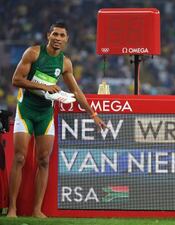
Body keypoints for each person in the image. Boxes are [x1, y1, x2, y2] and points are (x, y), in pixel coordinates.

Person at [7, 21, 107, 218]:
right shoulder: (33, 53)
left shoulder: (65, 63)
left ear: (67, 40)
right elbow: (16, 80)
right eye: (55, 34)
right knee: (19, 158)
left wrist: (93, 114)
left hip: (45, 114)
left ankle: (37, 210)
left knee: (43, 161)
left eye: (62, 36)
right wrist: (45, 87)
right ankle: (12, 209)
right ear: (48, 36)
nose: (58, 39)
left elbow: (76, 91)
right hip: (25, 110)